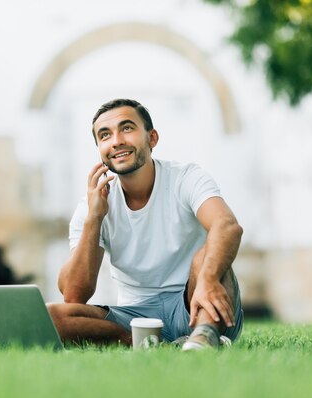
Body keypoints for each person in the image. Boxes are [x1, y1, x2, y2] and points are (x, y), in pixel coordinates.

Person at [47, 98, 244, 350]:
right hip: (135, 317)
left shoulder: (186, 178)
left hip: (196, 303)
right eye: (105, 135)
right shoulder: (92, 205)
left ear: (152, 139)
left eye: (127, 128)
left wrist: (206, 281)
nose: (116, 140)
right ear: (100, 149)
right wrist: (94, 218)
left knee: (207, 254)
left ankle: (203, 338)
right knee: (51, 315)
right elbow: (74, 295)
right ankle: (143, 343)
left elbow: (227, 226)